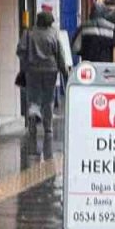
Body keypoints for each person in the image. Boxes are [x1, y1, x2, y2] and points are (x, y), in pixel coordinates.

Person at [17, 11, 69, 152]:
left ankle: (32, 123)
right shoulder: (53, 33)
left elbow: (20, 51)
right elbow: (60, 54)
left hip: (32, 70)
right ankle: (48, 127)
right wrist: (65, 71)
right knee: (48, 98)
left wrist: (28, 59)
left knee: (33, 97)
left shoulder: (28, 33)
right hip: (50, 70)